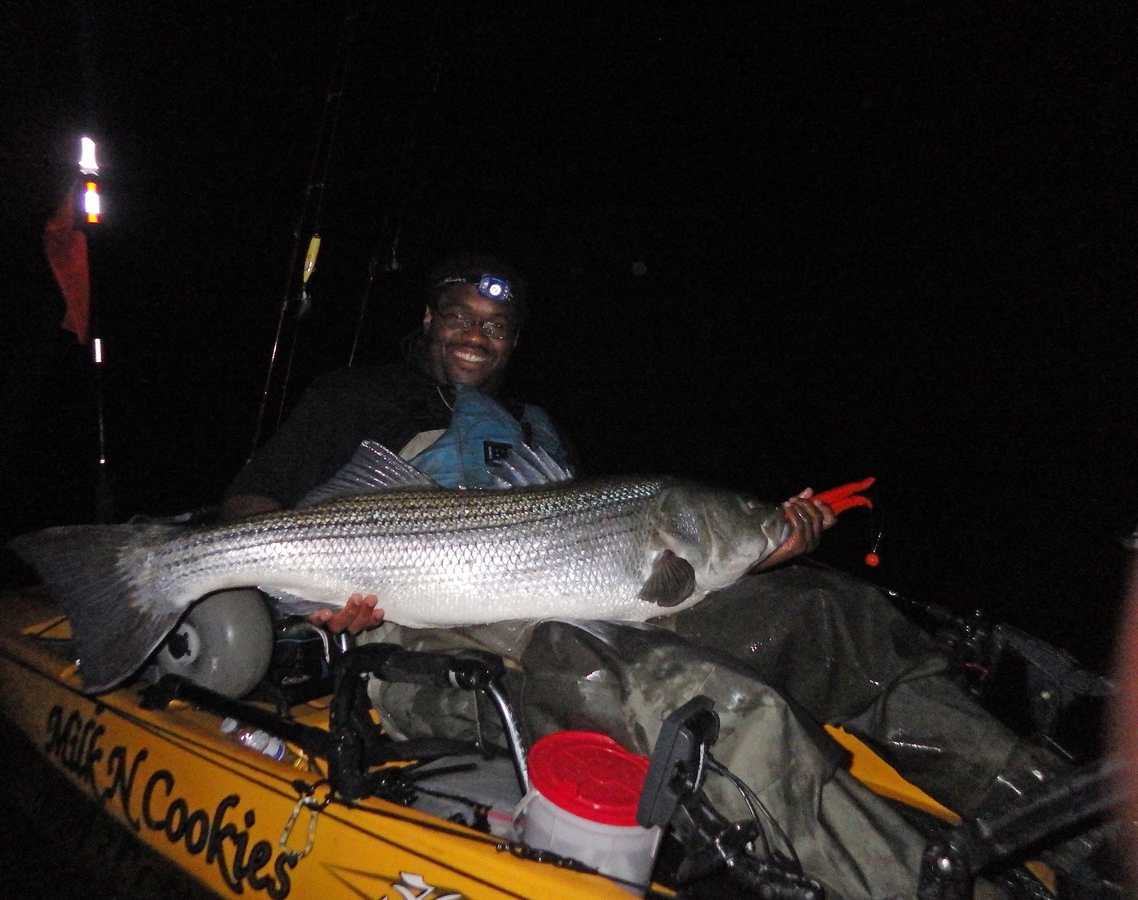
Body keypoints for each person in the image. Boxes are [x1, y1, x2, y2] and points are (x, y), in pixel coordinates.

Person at [220, 252, 1060, 898]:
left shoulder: (536, 435)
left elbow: (647, 586)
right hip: (422, 641)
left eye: (498, 327)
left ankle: (1072, 827)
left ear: (515, 343)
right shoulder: (355, 397)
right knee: (707, 701)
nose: (477, 334)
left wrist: (763, 550)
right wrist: (308, 599)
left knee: (834, 617)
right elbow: (249, 502)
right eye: (459, 315)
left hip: (578, 619)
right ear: (429, 320)